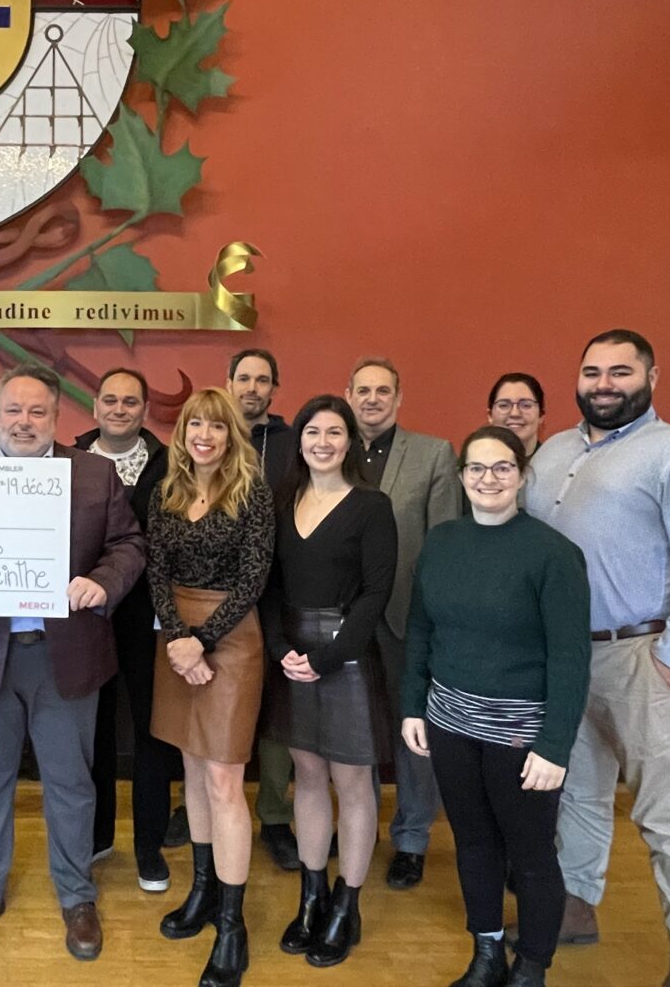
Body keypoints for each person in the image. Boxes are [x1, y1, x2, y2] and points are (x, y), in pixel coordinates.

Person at [525, 330, 670, 987]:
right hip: (566, 657)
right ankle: (576, 907)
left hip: (642, 653)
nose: (604, 383)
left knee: (666, 809)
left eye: (621, 371)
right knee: (579, 793)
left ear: (652, 376)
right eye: (592, 371)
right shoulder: (554, 451)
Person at [0, 365, 145, 962]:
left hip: (66, 657)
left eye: (37, 413)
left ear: (57, 417)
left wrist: (103, 583)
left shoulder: (94, 474)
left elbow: (128, 545)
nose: (23, 423)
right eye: (13, 412)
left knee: (72, 784)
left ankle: (77, 896)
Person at [403, 425, 591, 987]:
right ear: (461, 477)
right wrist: (413, 704)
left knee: (530, 854)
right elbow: (419, 629)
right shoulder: (440, 542)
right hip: (450, 724)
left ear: (521, 474)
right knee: (474, 843)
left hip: (521, 735)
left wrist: (554, 745)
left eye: (501, 467)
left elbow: (570, 658)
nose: (489, 479)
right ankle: (486, 953)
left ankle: (532, 965)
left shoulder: (554, 554)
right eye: (477, 468)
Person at [263, 395, 397, 969]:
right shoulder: (280, 499)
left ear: (349, 442)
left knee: (353, 782)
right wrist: (283, 650)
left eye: (334, 432)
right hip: (291, 653)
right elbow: (266, 586)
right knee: (309, 777)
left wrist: (327, 657)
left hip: (343, 655)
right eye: (311, 431)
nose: (322, 441)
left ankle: (348, 903)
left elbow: (375, 593)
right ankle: (313, 894)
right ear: (299, 440)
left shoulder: (371, 505)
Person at [148, 387, 276, 987]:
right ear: (183, 432)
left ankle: (232, 925)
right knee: (192, 768)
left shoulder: (252, 491)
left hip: (233, 637)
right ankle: (201, 892)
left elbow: (254, 579)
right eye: (195, 423)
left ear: (232, 435)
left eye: (216, 426)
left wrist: (203, 641)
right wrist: (179, 639)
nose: (204, 434)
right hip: (176, 639)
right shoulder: (167, 490)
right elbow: (156, 571)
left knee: (224, 777)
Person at [345, 355, 461, 888]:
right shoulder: (329, 446)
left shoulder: (435, 454)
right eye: (363, 390)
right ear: (349, 395)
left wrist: (437, 621)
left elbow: (443, 545)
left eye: (383, 391)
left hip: (404, 618)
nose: (372, 399)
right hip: (340, 620)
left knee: (411, 734)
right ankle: (358, 831)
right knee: (351, 731)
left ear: (398, 399)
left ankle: (411, 839)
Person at [76, 367, 179, 891]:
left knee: (150, 733)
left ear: (144, 410)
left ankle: (149, 847)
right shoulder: (67, 459)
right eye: (110, 400)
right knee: (90, 732)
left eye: (131, 402)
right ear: (94, 406)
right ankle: (96, 837)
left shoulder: (170, 464)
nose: (120, 409)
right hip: (83, 617)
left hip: (148, 618)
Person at [226, 347, 298, 872]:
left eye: (263, 380)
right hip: (214, 594)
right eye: (244, 378)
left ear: (274, 389)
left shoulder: (295, 443)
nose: (252, 387)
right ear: (228, 382)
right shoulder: (207, 434)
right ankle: (199, 803)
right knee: (208, 705)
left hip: (282, 592)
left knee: (276, 711)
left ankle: (274, 815)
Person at [487, 373, 546, 459]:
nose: (515, 413)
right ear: (490, 415)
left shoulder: (557, 466)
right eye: (504, 405)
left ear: (541, 415)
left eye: (526, 405)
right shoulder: (474, 465)